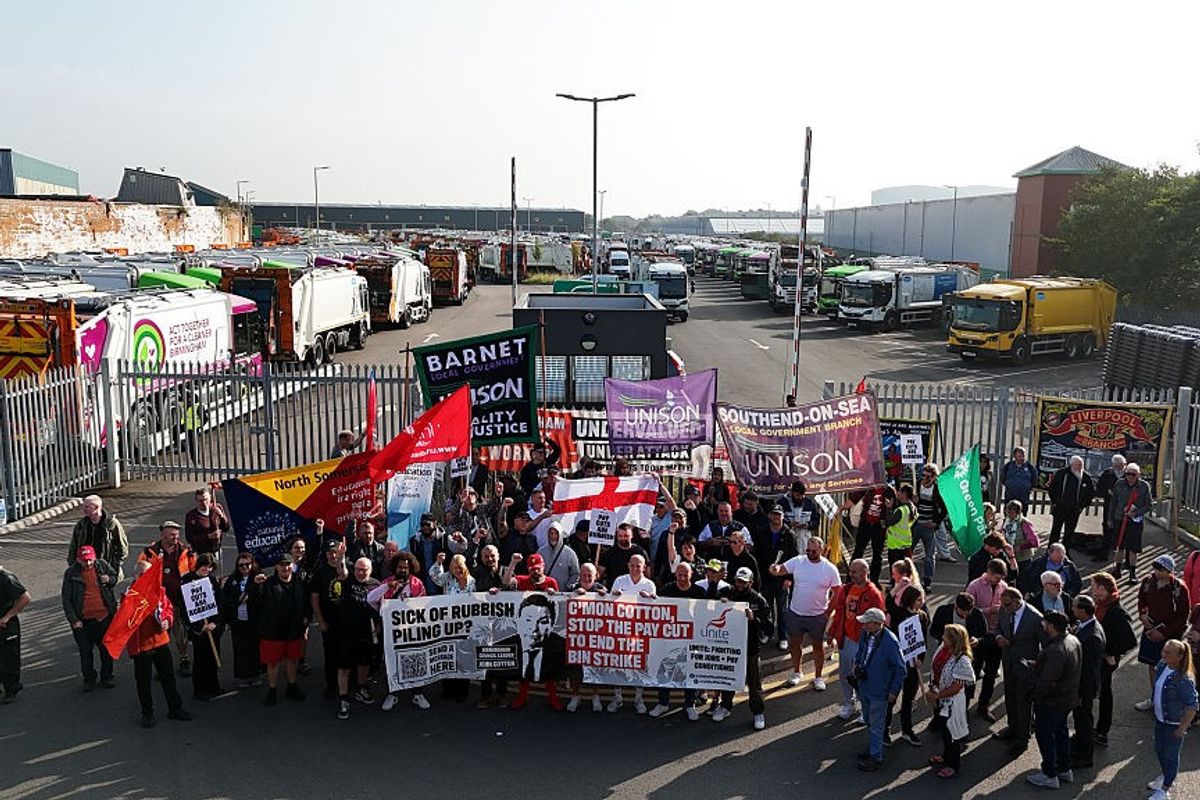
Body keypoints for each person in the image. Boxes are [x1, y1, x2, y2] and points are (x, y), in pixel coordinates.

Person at [125, 560, 192, 727]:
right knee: (143, 682)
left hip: (160, 642)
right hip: (142, 646)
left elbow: (168, 609)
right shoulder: (130, 595)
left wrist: (167, 621)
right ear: (136, 576)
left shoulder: (159, 591)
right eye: (143, 575)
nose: (147, 578)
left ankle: (175, 708)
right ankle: (147, 713)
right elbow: (126, 621)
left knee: (168, 678)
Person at [770, 536, 841, 691]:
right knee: (795, 644)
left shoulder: (830, 569)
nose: (809, 553)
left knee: (817, 646)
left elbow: (838, 592)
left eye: (813, 551)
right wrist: (775, 570)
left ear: (822, 550)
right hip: (796, 613)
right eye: (808, 550)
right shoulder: (798, 561)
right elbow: (781, 569)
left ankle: (818, 676)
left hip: (818, 615)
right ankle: (797, 672)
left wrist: (828, 612)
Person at [367, 552, 432, 713]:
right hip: (391, 633)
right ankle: (392, 693)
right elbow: (370, 599)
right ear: (394, 567)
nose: (402, 569)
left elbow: (424, 606)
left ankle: (417, 693)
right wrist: (386, 588)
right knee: (391, 662)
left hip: (412, 632)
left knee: (416, 660)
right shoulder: (387, 583)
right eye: (400, 567)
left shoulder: (417, 584)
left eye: (405, 567)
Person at [1025, 611, 1081, 789]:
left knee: (1045, 735)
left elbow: (1047, 681)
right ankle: (1064, 768)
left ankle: (1049, 773)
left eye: (1045, 623)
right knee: (1061, 732)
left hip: (1052, 702)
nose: (1042, 625)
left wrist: (1034, 697)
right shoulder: (1073, 640)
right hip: (1066, 699)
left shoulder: (1055, 650)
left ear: (1051, 626)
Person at [828, 559, 886, 721]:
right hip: (846, 639)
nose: (851, 575)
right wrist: (832, 632)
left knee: (862, 676)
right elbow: (839, 613)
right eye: (850, 571)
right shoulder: (846, 590)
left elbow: (879, 619)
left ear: (865, 572)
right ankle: (849, 703)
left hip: (862, 641)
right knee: (846, 673)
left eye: (854, 572)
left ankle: (864, 708)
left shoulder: (873, 594)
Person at [138, 521, 197, 677]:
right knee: (160, 632)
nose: (175, 537)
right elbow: (140, 570)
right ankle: (160, 665)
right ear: (163, 534)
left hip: (180, 599)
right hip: (159, 601)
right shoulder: (150, 552)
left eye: (177, 534)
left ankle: (184, 659)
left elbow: (193, 570)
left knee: (181, 632)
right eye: (172, 535)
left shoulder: (186, 550)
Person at [716, 567, 772, 729]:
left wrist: (754, 619)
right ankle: (725, 707)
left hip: (751, 647)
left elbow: (768, 626)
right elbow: (710, 604)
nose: (739, 584)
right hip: (729, 646)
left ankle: (758, 713)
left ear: (751, 583)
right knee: (727, 678)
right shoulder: (727, 592)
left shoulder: (758, 600)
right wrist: (721, 601)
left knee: (754, 683)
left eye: (743, 582)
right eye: (737, 581)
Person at [853, 607, 908, 772]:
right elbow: (861, 651)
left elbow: (901, 669)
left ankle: (876, 756)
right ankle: (873, 748)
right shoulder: (867, 634)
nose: (863, 626)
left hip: (880, 690)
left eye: (867, 623)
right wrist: (857, 664)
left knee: (876, 725)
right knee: (870, 720)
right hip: (865, 686)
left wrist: (893, 691)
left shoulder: (891, 642)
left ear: (878, 624)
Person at [250, 552, 308, 707]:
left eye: (287, 564)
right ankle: (272, 689)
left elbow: (307, 603)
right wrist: (255, 585)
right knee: (273, 663)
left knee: (292, 660)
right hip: (273, 631)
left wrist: (306, 619)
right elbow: (254, 602)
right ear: (276, 567)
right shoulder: (267, 583)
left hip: (293, 630)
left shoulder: (300, 582)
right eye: (281, 564)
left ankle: (292, 685)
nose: (285, 567)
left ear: (292, 566)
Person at [1135, 554, 1192, 711]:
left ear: (1169, 571)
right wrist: (1143, 615)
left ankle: (1169, 702)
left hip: (1169, 636)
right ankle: (1154, 698)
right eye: (1156, 568)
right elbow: (1141, 600)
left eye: (1161, 569)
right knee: (1153, 665)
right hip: (1150, 631)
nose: (1157, 572)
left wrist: (1164, 632)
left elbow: (1183, 616)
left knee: (1170, 667)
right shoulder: (1148, 582)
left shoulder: (1179, 588)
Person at [652, 563, 706, 721]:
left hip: (691, 639)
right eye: (679, 575)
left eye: (685, 575)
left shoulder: (699, 592)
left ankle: (690, 704)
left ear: (692, 575)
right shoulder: (667, 590)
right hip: (670, 639)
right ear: (675, 575)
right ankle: (663, 703)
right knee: (665, 669)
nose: (682, 579)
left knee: (689, 671)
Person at [61, 545, 118, 691]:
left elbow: (114, 577)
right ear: (79, 560)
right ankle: (89, 679)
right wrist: (74, 620)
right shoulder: (71, 573)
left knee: (106, 651)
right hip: (83, 621)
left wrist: (109, 579)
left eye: (90, 560)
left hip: (104, 617)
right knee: (85, 652)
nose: (88, 563)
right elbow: (66, 599)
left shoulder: (102, 565)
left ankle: (107, 676)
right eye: (84, 560)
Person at [995, 587, 1045, 754]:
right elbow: (998, 628)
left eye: (1007, 605)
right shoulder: (1004, 609)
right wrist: (998, 637)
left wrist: (1038, 665)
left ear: (1017, 602)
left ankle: (1022, 740)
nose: (1004, 608)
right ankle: (1012, 727)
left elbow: (1045, 644)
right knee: (1010, 698)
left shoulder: (1035, 617)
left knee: (1023, 704)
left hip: (1026, 669)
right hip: (1009, 663)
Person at [1146, 639, 1199, 800]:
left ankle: (1165, 788)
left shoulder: (1184, 679)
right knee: (1159, 749)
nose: (1163, 655)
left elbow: (1192, 705)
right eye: (1164, 651)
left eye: (1168, 653)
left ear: (1179, 657)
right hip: (1160, 720)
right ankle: (1166, 776)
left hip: (1173, 723)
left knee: (1170, 755)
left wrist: (1182, 728)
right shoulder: (1163, 665)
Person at [1089, 571, 1137, 746]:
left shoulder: (1115, 611)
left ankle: (1102, 731)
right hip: (1098, 659)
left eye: (1093, 586)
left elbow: (1130, 641)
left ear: (1102, 588)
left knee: (1104, 695)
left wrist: (1109, 653)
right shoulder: (1100, 605)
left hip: (1105, 661)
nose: (1091, 590)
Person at [924, 624, 976, 779]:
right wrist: (933, 687)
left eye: (945, 636)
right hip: (940, 698)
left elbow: (957, 687)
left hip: (952, 703)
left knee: (951, 733)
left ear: (953, 640)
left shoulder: (962, 659)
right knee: (944, 731)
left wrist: (937, 695)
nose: (942, 638)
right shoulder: (943, 649)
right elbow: (936, 670)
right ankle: (946, 757)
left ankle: (953, 765)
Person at [332, 557, 381, 720]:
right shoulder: (348, 579)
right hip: (347, 632)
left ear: (371, 570)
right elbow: (341, 571)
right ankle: (343, 699)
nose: (361, 572)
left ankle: (361, 688)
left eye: (364, 569)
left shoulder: (376, 584)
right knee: (344, 668)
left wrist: (379, 626)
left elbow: (382, 606)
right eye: (358, 569)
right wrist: (341, 557)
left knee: (364, 663)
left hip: (367, 633)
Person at [503, 593, 566, 711]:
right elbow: (509, 586)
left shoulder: (561, 646)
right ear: (518, 621)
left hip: (550, 654)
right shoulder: (504, 645)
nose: (534, 628)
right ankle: (522, 696)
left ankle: (553, 697)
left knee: (551, 670)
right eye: (528, 620)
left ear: (552, 624)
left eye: (542, 622)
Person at [965, 559, 1009, 722]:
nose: (999, 581)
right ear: (989, 573)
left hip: (995, 636)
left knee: (991, 673)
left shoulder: (1003, 587)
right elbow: (969, 611)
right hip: (978, 636)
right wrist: (989, 611)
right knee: (972, 673)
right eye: (997, 578)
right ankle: (965, 705)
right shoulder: (974, 586)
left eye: (1000, 579)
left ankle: (984, 705)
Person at [885, 585, 928, 747]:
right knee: (891, 697)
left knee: (909, 699)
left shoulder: (923, 617)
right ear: (910, 599)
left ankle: (907, 730)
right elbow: (889, 602)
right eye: (918, 599)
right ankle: (885, 729)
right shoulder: (899, 614)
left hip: (912, 663)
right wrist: (898, 587)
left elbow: (922, 640)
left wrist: (921, 659)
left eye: (922, 599)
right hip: (896, 662)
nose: (922, 602)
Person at [180, 554, 224, 700]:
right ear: (199, 565)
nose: (207, 569)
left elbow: (218, 602)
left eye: (210, 567)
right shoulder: (187, 580)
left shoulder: (211, 579)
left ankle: (213, 686)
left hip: (211, 626)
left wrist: (215, 623)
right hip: (198, 628)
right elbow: (185, 608)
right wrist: (199, 627)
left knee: (213, 656)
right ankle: (199, 690)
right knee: (200, 659)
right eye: (205, 565)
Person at [1070, 593, 1106, 768]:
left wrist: (1081, 693)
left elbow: (1088, 670)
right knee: (1080, 719)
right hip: (1081, 686)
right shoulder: (1087, 626)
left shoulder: (1092, 637)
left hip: (1084, 688)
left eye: (1075, 607)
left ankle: (1085, 756)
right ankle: (1080, 745)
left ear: (1083, 611)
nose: (1072, 609)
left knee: (1084, 720)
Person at [565, 563, 607, 713]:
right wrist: (574, 594)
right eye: (583, 575)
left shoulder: (601, 590)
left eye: (590, 575)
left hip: (595, 638)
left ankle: (595, 696)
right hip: (576, 638)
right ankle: (575, 696)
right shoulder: (571, 588)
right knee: (575, 668)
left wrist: (607, 596)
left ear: (596, 576)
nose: (586, 578)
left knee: (595, 667)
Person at [755, 507, 798, 647]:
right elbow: (757, 556)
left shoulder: (790, 535)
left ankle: (782, 636)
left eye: (779, 514)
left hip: (782, 579)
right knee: (766, 608)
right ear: (769, 515)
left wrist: (789, 579)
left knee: (782, 609)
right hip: (766, 578)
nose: (776, 517)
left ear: (783, 516)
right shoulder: (761, 533)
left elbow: (794, 558)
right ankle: (767, 633)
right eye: (773, 514)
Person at [309, 540, 346, 699]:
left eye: (336, 552)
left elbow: (344, 575)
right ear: (326, 554)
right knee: (330, 654)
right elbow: (315, 597)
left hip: (345, 620)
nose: (333, 555)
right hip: (328, 619)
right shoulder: (321, 572)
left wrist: (342, 559)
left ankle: (346, 683)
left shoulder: (347, 567)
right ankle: (331, 685)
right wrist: (320, 620)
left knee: (346, 653)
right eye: (330, 552)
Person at [221, 552, 262, 689]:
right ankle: (243, 676)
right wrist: (237, 600)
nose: (244, 567)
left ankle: (256, 674)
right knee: (240, 649)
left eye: (247, 564)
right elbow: (225, 599)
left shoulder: (257, 578)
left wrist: (251, 598)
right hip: (238, 620)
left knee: (254, 647)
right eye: (241, 565)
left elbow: (263, 597)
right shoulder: (232, 580)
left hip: (254, 619)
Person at [1110, 462, 1154, 584]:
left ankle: (1132, 572)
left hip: (1135, 521)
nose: (1130, 477)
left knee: (1133, 548)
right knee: (1120, 546)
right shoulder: (1119, 483)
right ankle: (1117, 569)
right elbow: (1113, 502)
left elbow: (1149, 505)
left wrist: (1136, 512)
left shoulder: (1144, 486)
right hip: (1119, 519)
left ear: (1138, 475)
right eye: (1128, 474)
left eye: (1133, 474)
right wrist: (1110, 518)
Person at [68, 495, 129, 581]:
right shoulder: (82, 524)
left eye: (87, 507)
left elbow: (122, 548)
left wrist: (114, 567)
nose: (84, 510)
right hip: (86, 568)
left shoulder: (111, 524)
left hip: (104, 570)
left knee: (104, 593)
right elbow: (74, 545)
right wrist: (73, 565)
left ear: (96, 507)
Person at [1047, 455, 1095, 557]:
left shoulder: (1086, 477)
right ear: (1071, 464)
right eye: (1077, 465)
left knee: (1069, 533)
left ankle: (1065, 552)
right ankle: (1050, 552)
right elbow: (1052, 489)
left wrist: (1082, 506)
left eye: (1081, 465)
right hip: (1060, 508)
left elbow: (1090, 494)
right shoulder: (1062, 474)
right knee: (1056, 531)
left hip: (1074, 510)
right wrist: (1056, 502)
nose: (1079, 467)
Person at [0, 561, 30, 703]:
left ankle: (12, 689)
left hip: (6, 625)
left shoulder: (6, 578)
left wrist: (8, 616)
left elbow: (25, 598)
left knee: (9, 658)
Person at [913, 466, 949, 580]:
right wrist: (912, 501)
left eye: (928, 476)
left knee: (929, 556)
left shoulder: (937, 489)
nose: (924, 478)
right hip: (915, 525)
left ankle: (927, 580)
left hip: (928, 526)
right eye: (923, 475)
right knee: (907, 553)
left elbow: (944, 509)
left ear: (934, 477)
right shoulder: (917, 485)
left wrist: (936, 523)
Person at [850, 485, 889, 586]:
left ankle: (874, 580)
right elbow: (854, 499)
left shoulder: (889, 490)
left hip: (879, 526)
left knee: (877, 554)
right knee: (858, 551)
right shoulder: (867, 487)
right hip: (865, 523)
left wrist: (889, 506)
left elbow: (894, 506)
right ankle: (851, 578)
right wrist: (841, 508)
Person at [183, 487, 230, 567]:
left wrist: (221, 516)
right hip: (200, 553)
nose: (204, 503)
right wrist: (209, 536)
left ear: (210, 498)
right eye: (200, 501)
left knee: (215, 575)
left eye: (206, 499)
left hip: (216, 550)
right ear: (196, 501)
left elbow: (226, 528)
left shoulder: (216, 507)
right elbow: (190, 538)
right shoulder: (191, 516)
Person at [1094, 454, 1127, 561]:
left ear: (1124, 464)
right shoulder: (1107, 474)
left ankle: (1123, 558)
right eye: (1115, 465)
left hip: (1124, 508)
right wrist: (1107, 492)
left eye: (1120, 465)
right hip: (1109, 506)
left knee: (1124, 530)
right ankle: (1103, 554)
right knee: (1107, 528)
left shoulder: (1129, 475)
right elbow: (1099, 488)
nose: (1118, 468)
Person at [409, 513, 451, 595]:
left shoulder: (445, 539)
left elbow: (460, 548)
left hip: (442, 587)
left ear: (435, 523)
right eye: (422, 525)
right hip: (422, 587)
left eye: (428, 524)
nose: (425, 527)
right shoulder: (413, 542)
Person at [537, 521, 580, 591]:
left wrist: (568, 587)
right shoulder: (540, 552)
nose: (553, 536)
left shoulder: (570, 553)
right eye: (551, 533)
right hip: (544, 593)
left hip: (563, 594)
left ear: (560, 535)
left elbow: (575, 573)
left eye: (556, 533)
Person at [776, 481, 819, 548]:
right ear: (792, 492)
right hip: (787, 538)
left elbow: (816, 520)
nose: (800, 498)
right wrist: (789, 524)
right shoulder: (782, 503)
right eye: (797, 495)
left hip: (805, 538)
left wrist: (808, 525)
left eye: (802, 495)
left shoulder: (810, 503)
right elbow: (776, 520)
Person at [1001, 500, 1040, 573]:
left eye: (1011, 512)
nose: (1008, 514)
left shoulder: (1024, 523)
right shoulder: (1006, 521)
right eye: (1007, 511)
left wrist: (1020, 547)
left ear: (1017, 512)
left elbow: (1035, 542)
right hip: (1009, 557)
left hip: (1023, 558)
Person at [999, 446, 1039, 513]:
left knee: (1022, 516)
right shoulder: (1008, 466)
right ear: (1014, 456)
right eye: (1019, 456)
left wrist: (1028, 487)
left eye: (1023, 455)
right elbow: (1002, 478)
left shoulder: (1030, 467)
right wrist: (1009, 485)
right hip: (1010, 496)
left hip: (1023, 497)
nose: (1022, 458)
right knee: (1008, 515)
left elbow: (1034, 479)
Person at [882, 485, 914, 565]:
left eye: (900, 491)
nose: (898, 493)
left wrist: (888, 508)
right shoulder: (911, 507)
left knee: (896, 570)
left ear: (904, 494)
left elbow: (889, 521)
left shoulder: (901, 510)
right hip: (905, 544)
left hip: (896, 545)